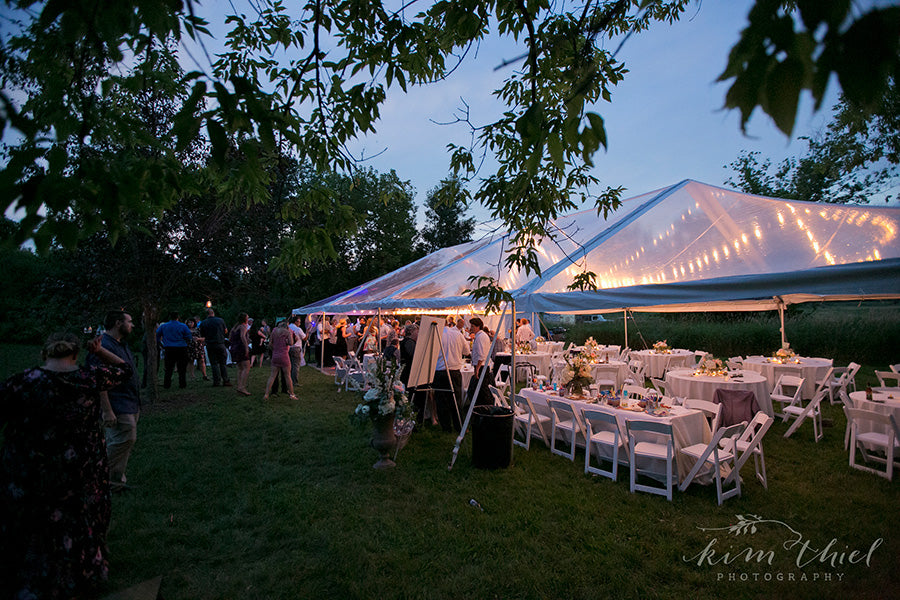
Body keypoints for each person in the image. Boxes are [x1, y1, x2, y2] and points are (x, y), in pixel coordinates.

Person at [1, 332, 133, 599]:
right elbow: (125, 369)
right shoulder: (87, 379)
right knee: (75, 526)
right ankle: (77, 579)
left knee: (37, 528)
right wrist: (97, 352)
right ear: (75, 354)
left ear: (44, 354)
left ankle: (33, 582)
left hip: (33, 474)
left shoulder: (21, 383)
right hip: (78, 474)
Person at [89, 310, 142, 493]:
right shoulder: (102, 346)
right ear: (118, 323)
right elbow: (97, 378)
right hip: (116, 402)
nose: (132, 325)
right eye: (130, 321)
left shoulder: (121, 344)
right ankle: (95, 477)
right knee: (124, 438)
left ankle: (114, 483)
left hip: (130, 401)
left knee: (124, 441)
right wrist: (106, 410)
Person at [433, 316, 467, 432]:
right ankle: (459, 425)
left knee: (442, 401)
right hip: (454, 371)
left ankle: (446, 427)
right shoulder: (458, 334)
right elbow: (466, 351)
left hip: (440, 371)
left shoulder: (436, 335)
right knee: (456, 399)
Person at [156, 311, 192, 389]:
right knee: (182, 368)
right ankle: (182, 384)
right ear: (178, 317)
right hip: (181, 348)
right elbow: (189, 336)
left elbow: (157, 334)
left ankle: (167, 384)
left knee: (169, 367)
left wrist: (160, 343)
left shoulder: (164, 326)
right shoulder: (183, 326)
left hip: (169, 348)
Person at [263, 321, 298, 400]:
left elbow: (270, 344)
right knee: (287, 376)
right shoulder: (287, 332)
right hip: (284, 356)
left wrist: (274, 349)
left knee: (272, 376)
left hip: (275, 356)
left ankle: (266, 394)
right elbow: (291, 343)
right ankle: (292, 394)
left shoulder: (274, 332)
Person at [198, 308, 230, 387]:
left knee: (214, 363)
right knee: (223, 363)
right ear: (213, 313)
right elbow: (226, 331)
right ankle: (225, 380)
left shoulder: (203, 323)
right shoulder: (220, 320)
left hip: (210, 344)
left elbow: (202, 334)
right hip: (220, 343)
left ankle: (216, 381)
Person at [467, 317, 494, 406]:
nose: (471, 328)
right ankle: (482, 407)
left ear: (478, 326)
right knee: (480, 390)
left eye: (473, 326)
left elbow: (481, 355)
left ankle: (487, 407)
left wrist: (477, 369)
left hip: (481, 367)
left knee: (481, 390)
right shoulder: (479, 336)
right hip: (481, 366)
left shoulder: (480, 337)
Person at [229, 312, 252, 396]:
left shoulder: (234, 327)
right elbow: (242, 336)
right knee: (246, 367)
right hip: (241, 348)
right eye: (247, 317)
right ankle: (242, 387)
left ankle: (239, 386)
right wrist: (246, 347)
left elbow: (230, 337)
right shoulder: (243, 326)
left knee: (240, 368)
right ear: (244, 319)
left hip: (234, 348)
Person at [288, 315, 307, 386]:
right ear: (296, 321)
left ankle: (288, 379)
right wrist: (307, 332)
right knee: (295, 365)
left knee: (290, 365)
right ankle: (294, 382)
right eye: (299, 322)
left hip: (288, 348)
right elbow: (304, 338)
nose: (300, 323)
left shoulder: (288, 327)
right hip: (296, 348)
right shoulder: (298, 329)